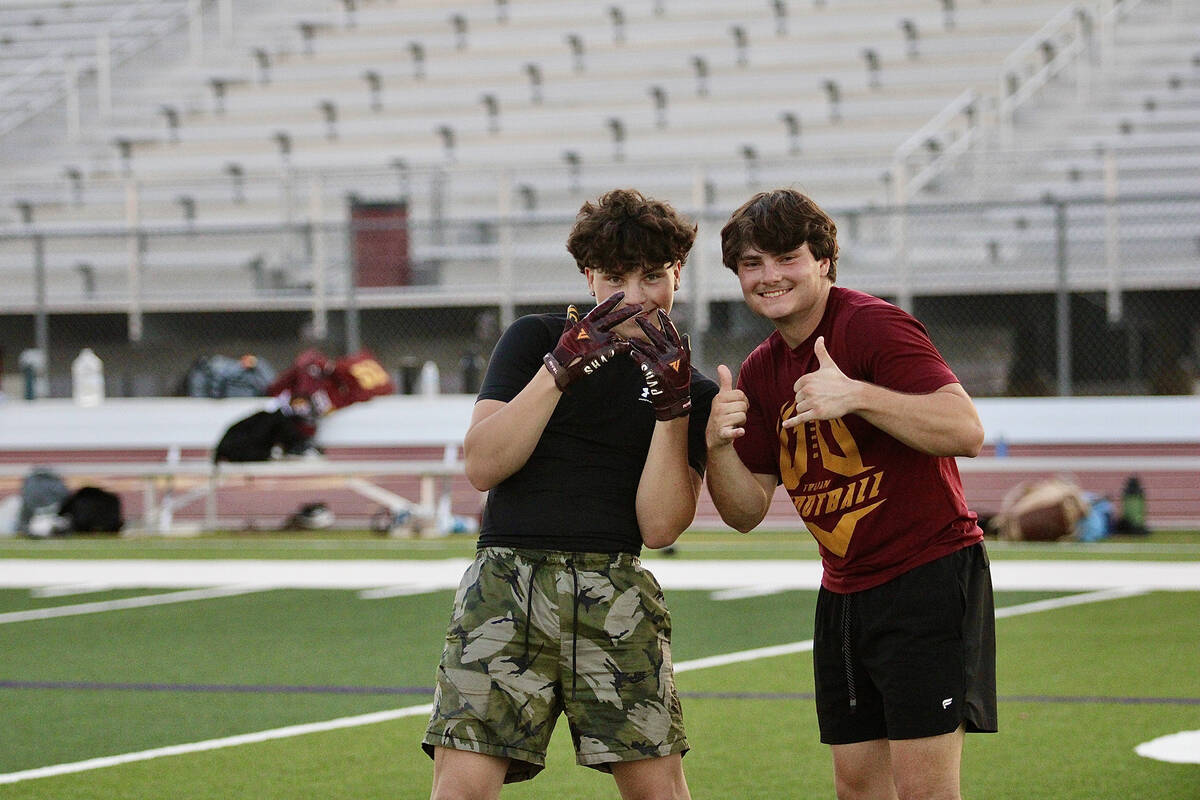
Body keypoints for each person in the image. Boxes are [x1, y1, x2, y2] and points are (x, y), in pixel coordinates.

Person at [423, 188, 717, 800]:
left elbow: (660, 529)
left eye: (653, 277)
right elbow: (483, 465)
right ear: (588, 276)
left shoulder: (694, 387)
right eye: (615, 278)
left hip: (615, 585)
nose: (634, 297)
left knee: (658, 791)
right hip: (508, 579)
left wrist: (672, 409)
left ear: (679, 276)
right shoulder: (534, 338)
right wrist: (559, 370)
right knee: (461, 790)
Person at [704, 188, 996, 800]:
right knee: (856, 788)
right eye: (751, 264)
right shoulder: (760, 368)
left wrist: (858, 395)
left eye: (786, 257)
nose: (769, 276)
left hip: (926, 575)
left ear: (824, 262)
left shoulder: (871, 324)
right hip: (842, 590)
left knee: (926, 791)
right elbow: (745, 512)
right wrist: (716, 445)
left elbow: (965, 430)